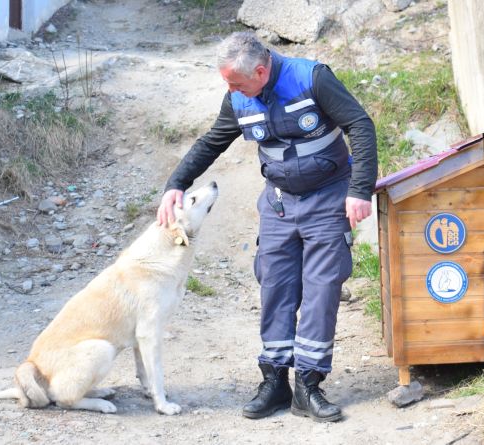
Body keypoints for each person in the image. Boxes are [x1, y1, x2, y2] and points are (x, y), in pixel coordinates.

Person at [156, 31, 377, 422]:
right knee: (275, 284)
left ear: (260, 71)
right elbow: (212, 141)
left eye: (235, 82)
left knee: (322, 289)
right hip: (278, 203)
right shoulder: (239, 96)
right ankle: (275, 382)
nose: (230, 89)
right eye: (227, 82)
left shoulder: (312, 79)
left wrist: (360, 190)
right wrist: (176, 183)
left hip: (328, 198)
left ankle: (308, 386)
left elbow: (360, 126)